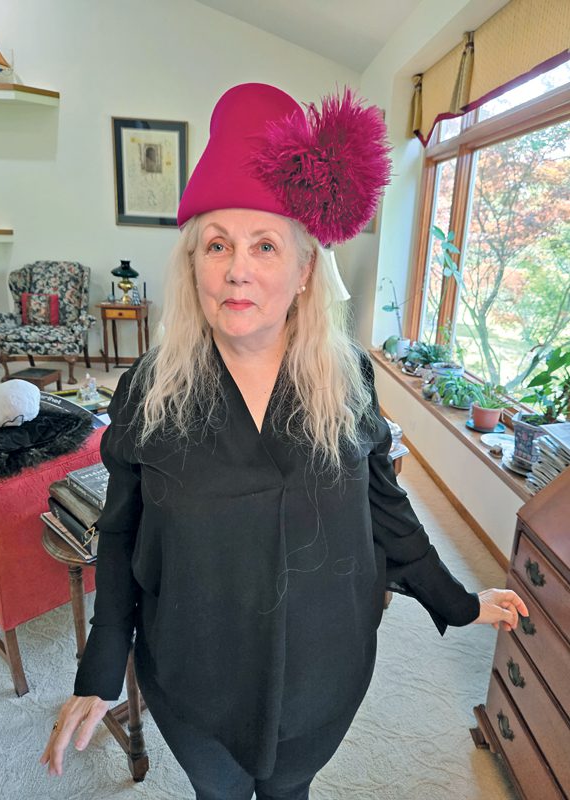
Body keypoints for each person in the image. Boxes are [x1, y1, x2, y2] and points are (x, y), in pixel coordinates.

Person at [40, 83, 528, 800]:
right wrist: (100, 668)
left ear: (304, 270)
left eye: (264, 245)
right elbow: (119, 533)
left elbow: (385, 510)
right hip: (193, 681)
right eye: (218, 245)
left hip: (321, 680)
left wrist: (456, 601)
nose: (238, 268)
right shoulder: (150, 387)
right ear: (194, 265)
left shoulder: (348, 376)